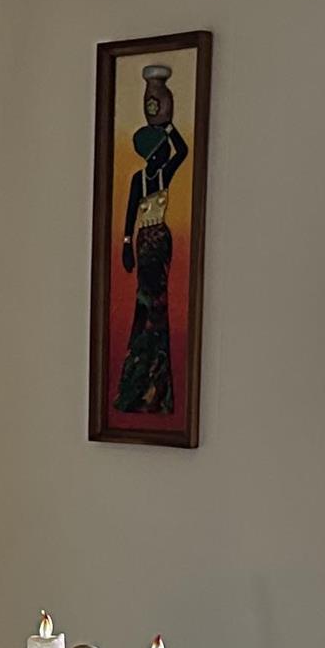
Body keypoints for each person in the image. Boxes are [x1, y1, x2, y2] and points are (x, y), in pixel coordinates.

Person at [115, 62, 189, 415]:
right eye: (159, 148)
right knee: (148, 304)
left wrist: (169, 125)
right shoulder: (140, 181)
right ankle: (143, 377)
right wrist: (126, 245)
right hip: (147, 243)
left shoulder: (164, 174)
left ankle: (156, 382)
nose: (164, 154)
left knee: (155, 304)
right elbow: (129, 215)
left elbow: (184, 152)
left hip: (159, 242)